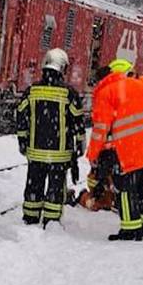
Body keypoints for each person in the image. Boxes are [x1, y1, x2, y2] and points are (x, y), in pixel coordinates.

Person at [87, 58, 143, 241]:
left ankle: (130, 230)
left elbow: (100, 129)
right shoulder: (141, 86)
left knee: (126, 190)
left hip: (128, 151)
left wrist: (93, 154)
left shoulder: (107, 92)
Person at [16, 48, 85, 228]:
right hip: (59, 154)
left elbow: (21, 117)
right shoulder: (69, 93)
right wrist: (79, 145)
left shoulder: (31, 91)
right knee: (55, 187)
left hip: (35, 151)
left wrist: (22, 141)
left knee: (34, 184)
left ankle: (30, 217)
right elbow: (78, 122)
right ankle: (51, 221)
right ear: (62, 68)